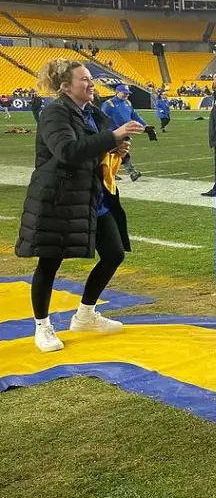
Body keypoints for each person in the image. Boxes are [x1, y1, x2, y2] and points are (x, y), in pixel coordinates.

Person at [15, 59, 145, 353]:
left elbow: (100, 147)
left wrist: (118, 150)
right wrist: (112, 137)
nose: (91, 83)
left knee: (113, 253)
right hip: (59, 198)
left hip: (91, 196)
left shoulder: (92, 113)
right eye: (84, 79)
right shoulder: (54, 113)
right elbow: (67, 151)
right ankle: (42, 326)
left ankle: (85, 315)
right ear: (65, 86)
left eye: (91, 78)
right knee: (49, 262)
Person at [101, 84, 147, 181]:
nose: (126, 95)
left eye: (127, 93)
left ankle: (111, 172)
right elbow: (103, 118)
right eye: (124, 93)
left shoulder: (128, 103)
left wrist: (145, 125)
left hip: (125, 131)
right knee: (118, 152)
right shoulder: (109, 104)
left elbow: (135, 116)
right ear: (117, 92)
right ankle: (131, 172)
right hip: (113, 133)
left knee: (118, 152)